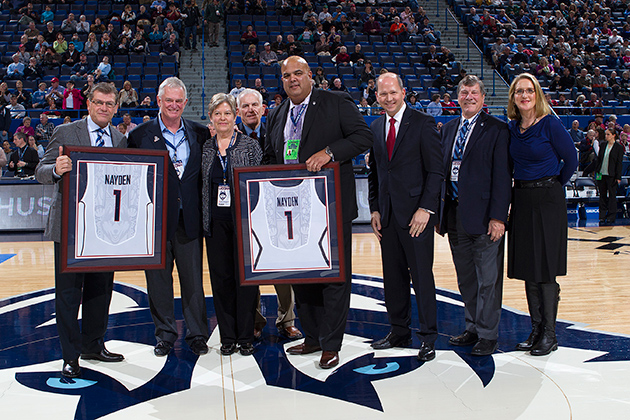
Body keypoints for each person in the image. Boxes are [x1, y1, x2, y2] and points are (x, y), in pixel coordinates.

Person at [265, 56, 373, 369]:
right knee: (304, 274)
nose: (292, 79)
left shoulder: (336, 102)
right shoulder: (278, 113)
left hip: (331, 207)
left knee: (334, 277)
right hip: (294, 211)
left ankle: (331, 343)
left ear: (311, 75)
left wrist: (329, 153)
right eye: (286, 75)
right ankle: (311, 337)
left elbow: (362, 137)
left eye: (298, 73)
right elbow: (273, 157)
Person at [34, 83, 126, 378]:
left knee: (101, 291)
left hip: (105, 230)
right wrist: (56, 169)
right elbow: (40, 171)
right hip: (71, 229)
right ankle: (70, 355)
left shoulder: (120, 139)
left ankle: (93, 345)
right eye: (99, 103)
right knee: (68, 295)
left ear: (115, 108)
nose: (103, 108)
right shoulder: (65, 132)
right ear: (88, 104)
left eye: (109, 104)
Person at [127, 77, 210, 358]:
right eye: (168, 100)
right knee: (158, 283)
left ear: (185, 103)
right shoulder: (138, 136)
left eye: (179, 101)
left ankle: (197, 334)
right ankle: (164, 334)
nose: (174, 105)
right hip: (155, 224)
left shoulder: (200, 134)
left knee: (193, 283)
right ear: (159, 101)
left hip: (190, 221)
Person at [367, 73, 442, 362]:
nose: (388, 98)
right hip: (386, 215)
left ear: (403, 92)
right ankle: (399, 331)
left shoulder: (422, 123)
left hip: (416, 217)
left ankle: (428, 337)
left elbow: (436, 172)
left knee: (422, 277)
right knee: (393, 278)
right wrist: (374, 207)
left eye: (393, 92)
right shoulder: (375, 127)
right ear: (377, 96)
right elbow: (375, 172)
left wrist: (426, 209)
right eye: (383, 94)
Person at [439, 75, 511, 356]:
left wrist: (498, 217)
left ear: (482, 98)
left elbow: (503, 177)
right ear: (457, 97)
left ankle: (488, 334)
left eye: (474, 92)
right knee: (466, 278)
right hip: (456, 215)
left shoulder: (497, 129)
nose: (468, 96)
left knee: (488, 279)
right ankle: (472, 327)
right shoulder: (448, 129)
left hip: (485, 218)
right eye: (464, 92)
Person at [507, 73, 578, 356]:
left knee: (546, 268)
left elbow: (571, 159)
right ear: (513, 97)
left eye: (529, 91)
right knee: (528, 268)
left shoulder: (550, 125)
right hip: (522, 198)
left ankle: (550, 334)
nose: (525, 96)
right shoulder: (513, 129)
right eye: (519, 91)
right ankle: (536, 329)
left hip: (548, 199)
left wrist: (553, 184)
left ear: (537, 95)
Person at [236, 88, 302, 341]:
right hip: (246, 211)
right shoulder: (231, 136)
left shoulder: (279, 131)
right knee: (250, 269)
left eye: (255, 105)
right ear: (238, 111)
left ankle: (287, 320)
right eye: (245, 106)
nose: (251, 110)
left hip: (277, 209)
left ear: (263, 109)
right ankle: (255, 320)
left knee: (283, 266)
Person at [201, 93, 261, 355]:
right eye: (218, 114)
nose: (223, 118)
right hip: (215, 223)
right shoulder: (205, 148)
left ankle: (246, 336)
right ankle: (227, 336)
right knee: (221, 279)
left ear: (234, 116)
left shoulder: (250, 146)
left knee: (245, 280)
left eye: (227, 113)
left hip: (245, 224)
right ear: (211, 118)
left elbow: (260, 184)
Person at [595, 128, 624, 225]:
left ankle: (611, 216)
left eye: (608, 134)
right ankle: (602, 216)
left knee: (612, 196)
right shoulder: (603, 145)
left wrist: (618, 177)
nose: (606, 136)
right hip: (601, 174)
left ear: (613, 135)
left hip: (612, 175)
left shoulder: (618, 147)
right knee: (602, 195)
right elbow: (599, 160)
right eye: (606, 134)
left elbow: (619, 163)